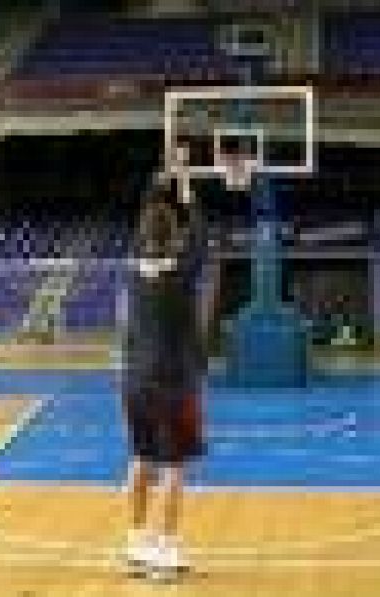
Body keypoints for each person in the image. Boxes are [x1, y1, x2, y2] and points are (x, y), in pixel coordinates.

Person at [117, 146, 219, 581]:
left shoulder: (133, 269)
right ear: (174, 236)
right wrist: (185, 177)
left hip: (134, 381)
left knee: (141, 460)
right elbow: (200, 227)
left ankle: (135, 542)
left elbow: (152, 214)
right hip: (175, 383)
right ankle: (166, 548)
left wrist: (164, 172)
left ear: (143, 234)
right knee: (174, 468)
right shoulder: (182, 273)